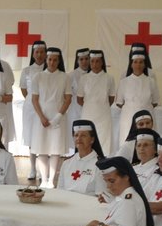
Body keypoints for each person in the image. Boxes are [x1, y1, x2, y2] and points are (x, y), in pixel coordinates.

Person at [30, 46, 72, 183]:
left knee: (55, 149)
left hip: (58, 117)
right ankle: (43, 179)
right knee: (41, 148)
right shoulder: (38, 77)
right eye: (49, 59)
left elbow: (68, 99)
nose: (52, 62)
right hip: (41, 117)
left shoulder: (65, 77)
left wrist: (58, 117)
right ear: (46, 60)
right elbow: (34, 99)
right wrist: (42, 117)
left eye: (55, 60)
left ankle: (52, 180)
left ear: (58, 61)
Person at [113, 47, 160, 149]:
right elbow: (119, 102)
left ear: (144, 64)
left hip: (147, 118)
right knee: (127, 145)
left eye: (141, 62)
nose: (138, 65)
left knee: (147, 143)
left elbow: (155, 101)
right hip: (128, 117)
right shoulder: (124, 82)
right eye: (135, 62)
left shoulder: (151, 81)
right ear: (131, 64)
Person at [76, 49, 115, 150]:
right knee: (88, 140)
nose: (95, 64)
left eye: (97, 61)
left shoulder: (109, 78)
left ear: (102, 62)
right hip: (88, 114)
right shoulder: (84, 78)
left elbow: (111, 98)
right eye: (92, 61)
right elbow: (79, 99)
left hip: (104, 116)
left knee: (104, 142)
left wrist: (101, 106)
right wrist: (91, 106)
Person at [57, 119, 105, 194]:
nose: (78, 139)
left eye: (83, 135)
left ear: (92, 139)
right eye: (76, 135)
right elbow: (60, 191)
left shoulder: (100, 166)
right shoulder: (66, 163)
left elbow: (100, 196)